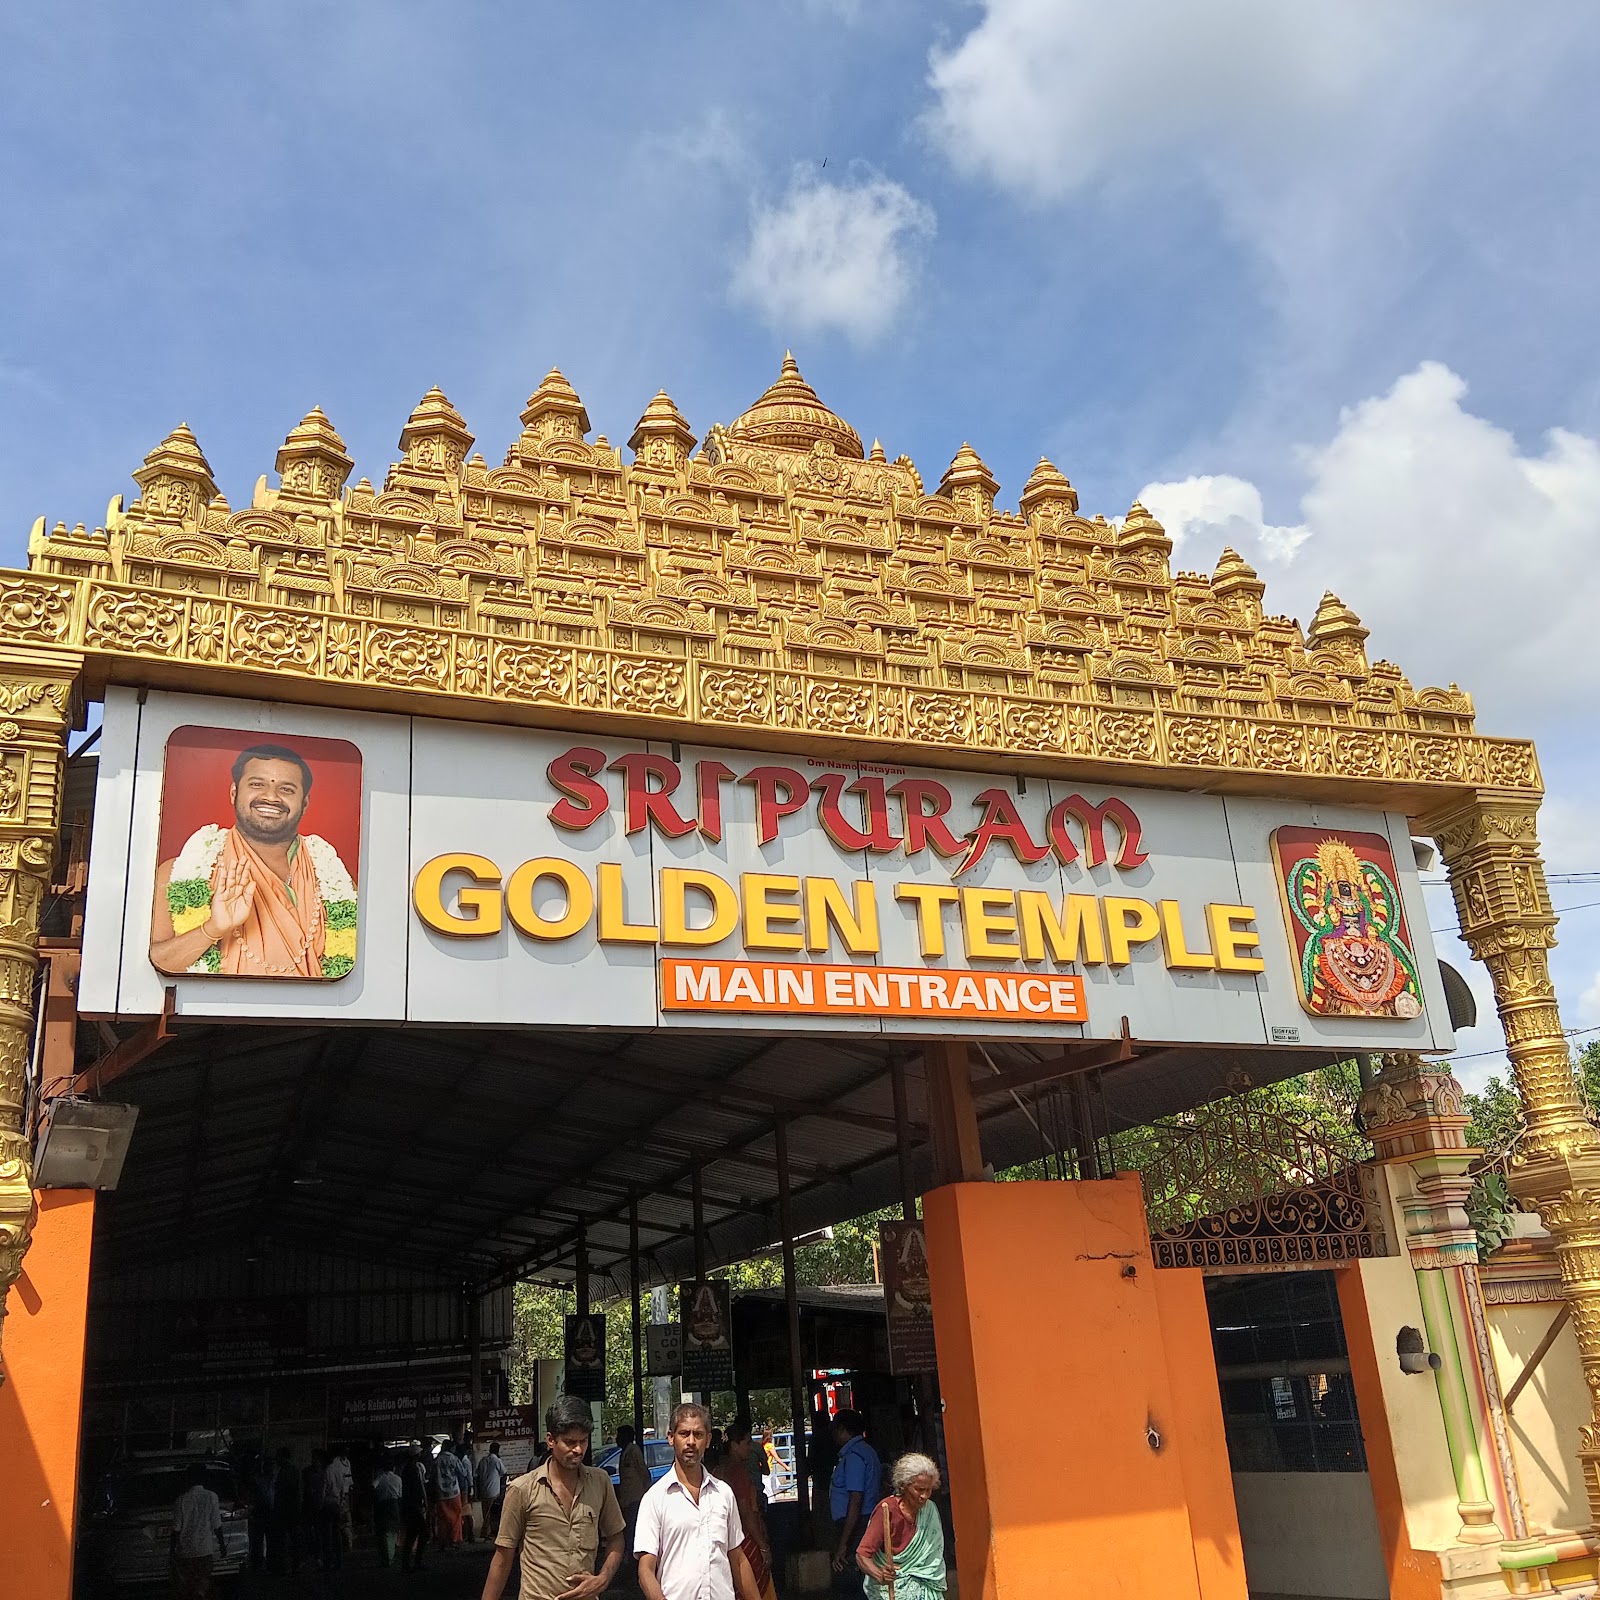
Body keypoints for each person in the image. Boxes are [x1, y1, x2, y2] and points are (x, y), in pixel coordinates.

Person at [149, 741, 357, 978]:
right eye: (257, 784)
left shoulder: (336, 881)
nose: (271, 797)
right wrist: (211, 929)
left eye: (287, 789)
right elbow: (154, 965)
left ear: (305, 803)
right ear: (234, 793)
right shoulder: (180, 872)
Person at [480, 1395, 625, 1600]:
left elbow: (616, 1538)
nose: (578, 1449)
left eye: (583, 1441)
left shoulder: (600, 1482)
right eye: (569, 1442)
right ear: (550, 1440)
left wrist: (602, 1578)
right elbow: (503, 1559)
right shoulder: (522, 1490)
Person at [635, 1402, 762, 1600]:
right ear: (671, 1438)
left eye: (698, 1434)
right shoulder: (655, 1499)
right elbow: (645, 1570)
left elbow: (737, 1558)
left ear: (708, 1440)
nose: (691, 1442)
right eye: (684, 1434)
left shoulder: (723, 1494)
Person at [854, 1454, 947, 1600]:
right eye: (919, 1489)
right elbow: (862, 1555)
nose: (924, 1496)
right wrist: (880, 1575)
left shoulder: (930, 1510)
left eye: (928, 1490)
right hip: (890, 1589)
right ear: (903, 1486)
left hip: (925, 1589)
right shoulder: (887, 1510)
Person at [708, 1420, 777, 1600]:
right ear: (734, 1446)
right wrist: (763, 1546)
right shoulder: (739, 1472)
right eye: (747, 1442)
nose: (750, 1447)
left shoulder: (717, 1470)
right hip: (745, 1538)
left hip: (726, 1537)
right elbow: (746, 1511)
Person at [829, 1411, 882, 1591]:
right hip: (863, 1521)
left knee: (853, 1578)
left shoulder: (854, 1456)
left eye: (835, 1429)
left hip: (855, 1524)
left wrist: (843, 1543)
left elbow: (856, 1499)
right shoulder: (867, 1451)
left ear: (843, 1430)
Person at [170, 1462, 224, 1600]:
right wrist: (222, 1546)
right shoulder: (212, 1496)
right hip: (204, 1549)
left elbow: (176, 1528)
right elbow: (217, 1524)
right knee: (203, 1582)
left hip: (185, 1550)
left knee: (187, 1586)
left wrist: (172, 1551)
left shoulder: (181, 1500)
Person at [615, 1423, 650, 1559]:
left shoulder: (633, 1451)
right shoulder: (624, 1452)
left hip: (635, 1499)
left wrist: (645, 1494)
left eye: (619, 1436)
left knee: (632, 1529)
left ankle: (631, 1557)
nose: (617, 1439)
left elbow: (644, 1473)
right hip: (627, 1500)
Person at [400, 1441, 431, 1573]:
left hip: (410, 1505)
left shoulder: (408, 1468)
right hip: (414, 1505)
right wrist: (423, 1502)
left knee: (412, 1534)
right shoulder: (413, 1469)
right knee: (423, 1533)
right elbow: (419, 1488)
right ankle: (415, 1561)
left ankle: (408, 1562)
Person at [270, 1446, 301, 1574]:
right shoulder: (287, 1470)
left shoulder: (288, 1471)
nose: (276, 1459)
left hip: (287, 1509)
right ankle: (292, 1563)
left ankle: (290, 1564)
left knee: (286, 1538)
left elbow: (287, 1491)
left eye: (278, 1456)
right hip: (289, 1509)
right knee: (290, 1538)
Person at [320, 1444, 350, 1571]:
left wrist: (320, 1505)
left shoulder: (326, 1471)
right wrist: (341, 1501)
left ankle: (328, 1561)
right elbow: (343, 1489)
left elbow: (323, 1490)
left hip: (327, 1504)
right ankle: (339, 1560)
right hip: (337, 1504)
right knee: (337, 1532)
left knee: (327, 1534)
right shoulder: (338, 1471)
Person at [372, 1454, 403, 1569]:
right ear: (393, 1468)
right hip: (394, 1505)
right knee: (393, 1530)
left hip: (382, 1505)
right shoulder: (398, 1479)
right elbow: (400, 1494)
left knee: (384, 1532)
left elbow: (372, 1487)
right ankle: (391, 1554)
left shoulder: (380, 1477)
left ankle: (387, 1557)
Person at [434, 1439, 466, 1549]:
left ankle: (443, 1541)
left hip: (440, 1494)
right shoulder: (454, 1458)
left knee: (442, 1518)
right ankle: (455, 1539)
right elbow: (463, 1472)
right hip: (454, 1492)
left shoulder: (437, 1460)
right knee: (456, 1516)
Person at [476, 1439, 508, 1539]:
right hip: (494, 1491)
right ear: (497, 1451)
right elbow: (504, 1473)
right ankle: (488, 1532)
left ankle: (486, 1532)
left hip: (483, 1490)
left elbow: (477, 1475)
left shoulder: (482, 1460)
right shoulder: (497, 1461)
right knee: (492, 1513)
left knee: (485, 1512)